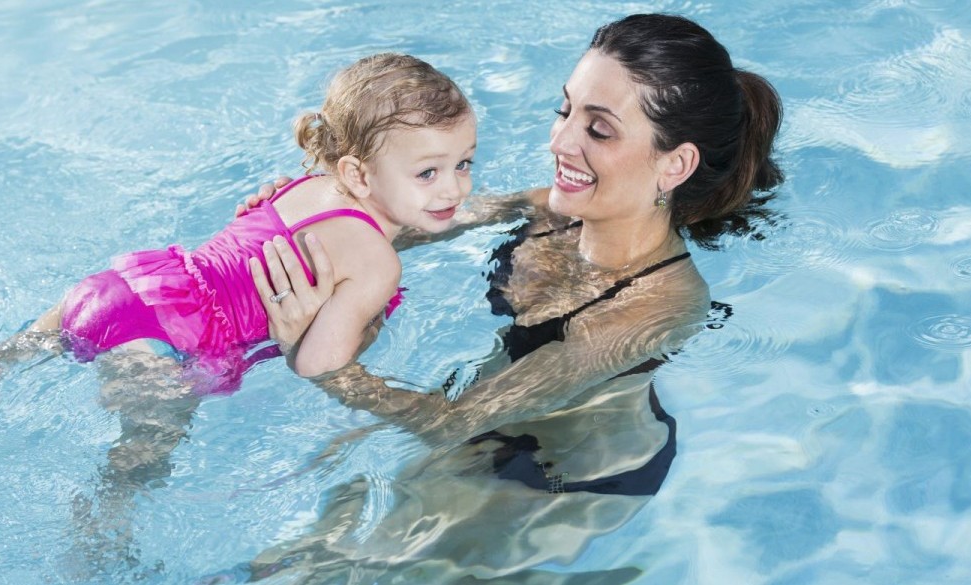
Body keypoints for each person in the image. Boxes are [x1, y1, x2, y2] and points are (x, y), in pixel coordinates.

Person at [231, 13, 784, 583]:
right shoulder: (550, 209)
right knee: (288, 562)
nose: (561, 142)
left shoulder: (658, 303)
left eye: (599, 130)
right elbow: (394, 220)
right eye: (565, 110)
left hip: (562, 481)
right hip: (488, 428)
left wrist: (321, 364)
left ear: (676, 164)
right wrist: (317, 204)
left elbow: (452, 423)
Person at [0, 52, 477, 442]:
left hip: (125, 286)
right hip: (170, 342)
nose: (453, 189)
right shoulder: (375, 259)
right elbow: (319, 362)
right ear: (359, 172)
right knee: (135, 469)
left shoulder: (304, 187)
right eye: (429, 172)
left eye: (463, 164)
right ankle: (98, 540)